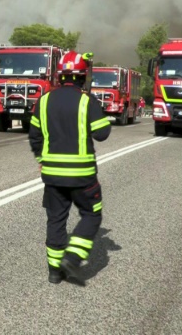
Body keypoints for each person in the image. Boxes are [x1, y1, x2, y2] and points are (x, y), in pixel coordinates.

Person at [28, 51, 111, 285]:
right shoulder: (87, 101)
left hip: (52, 174)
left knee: (55, 220)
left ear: (60, 76)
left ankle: (54, 272)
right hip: (82, 176)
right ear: (83, 76)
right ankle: (72, 258)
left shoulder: (43, 101)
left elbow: (34, 136)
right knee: (91, 215)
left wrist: (41, 159)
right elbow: (102, 133)